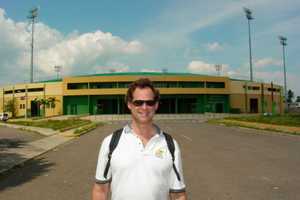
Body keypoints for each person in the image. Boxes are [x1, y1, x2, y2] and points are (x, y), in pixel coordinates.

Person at [92, 78, 187, 200]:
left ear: (156, 105)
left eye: (150, 102)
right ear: (129, 104)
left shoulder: (170, 144)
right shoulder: (111, 142)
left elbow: (178, 195)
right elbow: (100, 190)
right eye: (138, 102)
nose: (144, 107)